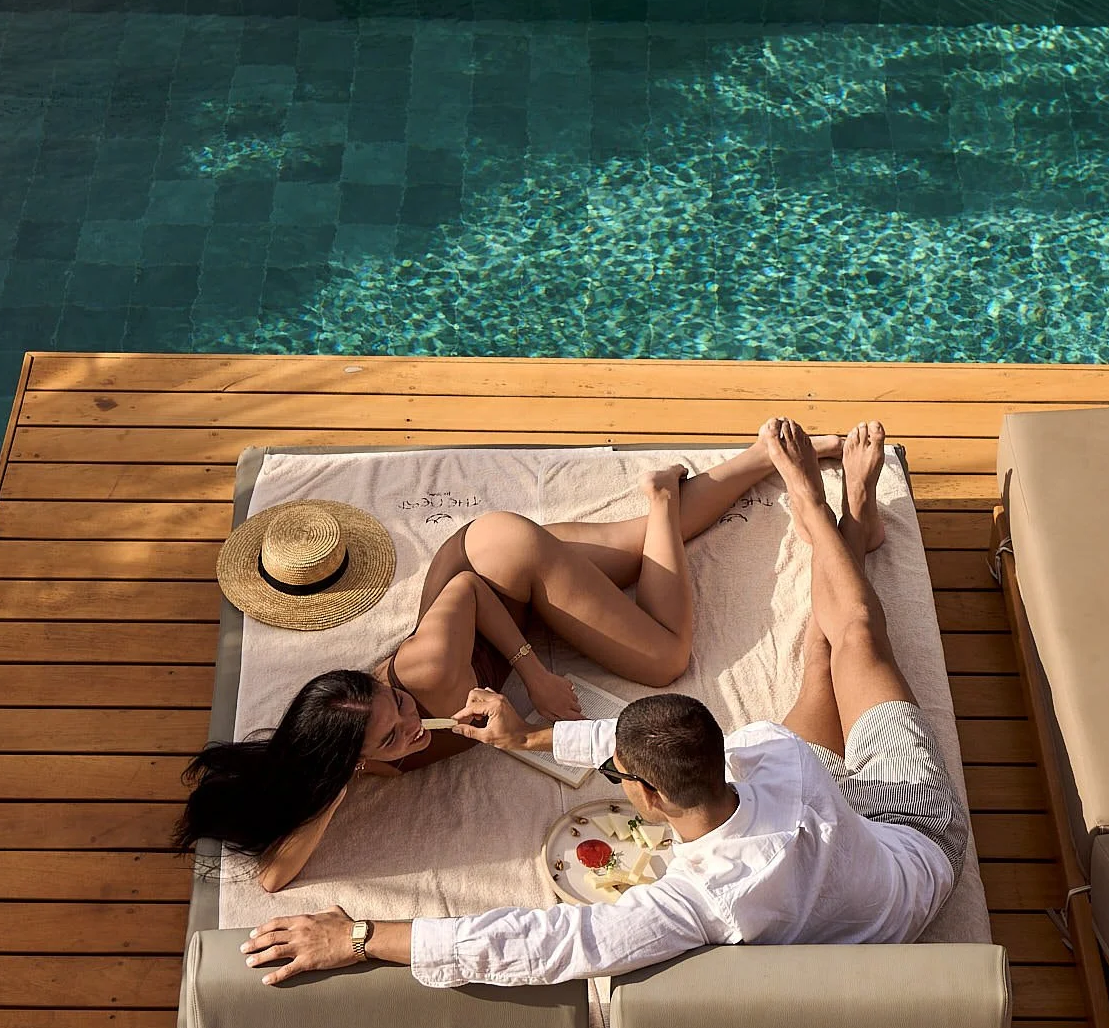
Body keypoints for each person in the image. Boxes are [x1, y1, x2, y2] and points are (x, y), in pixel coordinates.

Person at [239, 417, 969, 986]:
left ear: (647, 795)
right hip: (831, 823)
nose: (409, 723)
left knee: (832, 642)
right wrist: (525, 740)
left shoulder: (711, 881)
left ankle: (817, 509)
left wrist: (359, 936)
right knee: (832, 647)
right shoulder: (770, 758)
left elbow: (539, 944)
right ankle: (843, 527)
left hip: (911, 834)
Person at [176, 423, 845, 893]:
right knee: (637, 546)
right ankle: (762, 457)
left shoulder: (427, 672)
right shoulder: (343, 768)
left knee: (664, 657)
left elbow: (467, 586)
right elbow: (274, 876)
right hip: (490, 571)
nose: (409, 726)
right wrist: (334, 785)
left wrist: (534, 674)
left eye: (400, 711)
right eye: (389, 735)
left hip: (499, 565)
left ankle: (663, 496)